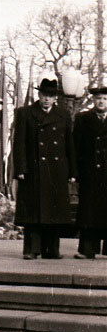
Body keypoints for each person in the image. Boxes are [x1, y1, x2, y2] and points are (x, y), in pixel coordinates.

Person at [12, 77, 77, 259]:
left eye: (50, 96)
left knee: (54, 211)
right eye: (43, 95)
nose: (46, 99)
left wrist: (73, 171)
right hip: (34, 170)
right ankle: (32, 250)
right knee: (33, 212)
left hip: (56, 170)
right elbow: (19, 143)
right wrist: (20, 169)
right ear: (38, 95)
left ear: (55, 98)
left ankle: (51, 250)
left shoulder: (63, 115)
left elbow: (69, 144)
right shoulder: (25, 113)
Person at [73, 85, 107, 259]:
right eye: (98, 98)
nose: (101, 101)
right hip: (89, 172)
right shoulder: (83, 119)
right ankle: (87, 249)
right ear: (93, 100)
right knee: (88, 211)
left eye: (105, 99)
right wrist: (75, 172)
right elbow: (75, 146)